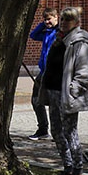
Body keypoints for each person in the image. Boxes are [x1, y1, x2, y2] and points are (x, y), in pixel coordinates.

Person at [39, 7, 88, 175]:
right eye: (62, 19)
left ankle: (78, 170)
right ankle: (67, 166)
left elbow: (83, 72)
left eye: (67, 20)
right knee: (56, 130)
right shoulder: (59, 39)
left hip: (67, 94)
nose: (63, 23)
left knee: (70, 132)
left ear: (76, 23)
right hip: (53, 91)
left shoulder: (79, 42)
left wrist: (73, 90)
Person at [27, 8, 59, 141]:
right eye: (45, 19)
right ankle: (42, 129)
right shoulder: (46, 32)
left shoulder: (59, 33)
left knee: (53, 102)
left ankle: (57, 132)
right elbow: (33, 35)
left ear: (57, 17)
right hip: (43, 71)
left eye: (49, 19)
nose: (47, 22)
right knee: (36, 100)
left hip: (54, 72)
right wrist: (43, 25)